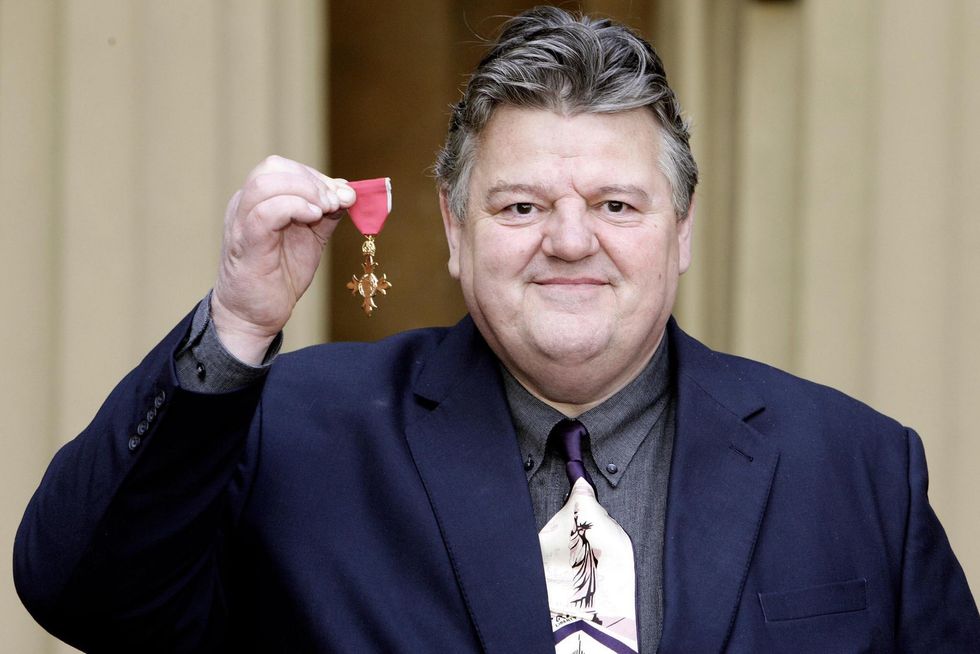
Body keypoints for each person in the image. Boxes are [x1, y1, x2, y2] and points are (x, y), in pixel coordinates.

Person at [14, 6, 980, 653]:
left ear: (681, 231)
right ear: (454, 229)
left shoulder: (858, 468)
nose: (569, 241)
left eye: (616, 205)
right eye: (520, 207)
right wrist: (236, 323)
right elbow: (82, 595)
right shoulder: (298, 432)